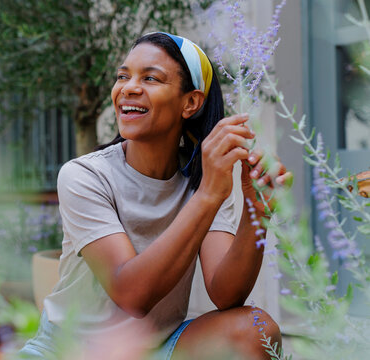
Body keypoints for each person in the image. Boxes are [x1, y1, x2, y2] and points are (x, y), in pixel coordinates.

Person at [18, 32, 289, 359]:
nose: (128, 88)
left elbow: (227, 293)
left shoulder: (201, 182)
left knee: (256, 330)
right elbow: (131, 295)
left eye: (150, 78)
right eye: (123, 76)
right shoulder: (85, 176)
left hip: (156, 349)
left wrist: (256, 212)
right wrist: (207, 196)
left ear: (190, 102)